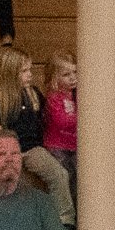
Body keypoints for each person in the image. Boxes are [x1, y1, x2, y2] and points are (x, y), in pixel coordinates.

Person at [0, 45, 75, 228]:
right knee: (10, 180)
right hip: (11, 151)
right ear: (9, 74)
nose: (30, 74)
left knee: (60, 174)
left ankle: (64, 221)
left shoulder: (34, 94)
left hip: (33, 149)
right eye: (24, 71)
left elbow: (46, 120)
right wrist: (8, 155)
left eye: (29, 69)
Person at [41, 50, 79, 194]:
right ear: (54, 78)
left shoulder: (77, 94)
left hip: (74, 145)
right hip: (57, 146)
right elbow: (61, 121)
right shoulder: (54, 97)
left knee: (79, 178)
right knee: (65, 177)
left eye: (75, 72)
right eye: (66, 75)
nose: (73, 78)